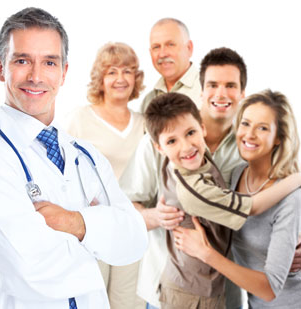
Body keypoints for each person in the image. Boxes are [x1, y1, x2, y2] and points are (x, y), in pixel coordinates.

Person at [0, 7, 147, 309]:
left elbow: (134, 241)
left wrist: (73, 222)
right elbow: (29, 268)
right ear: (0, 68)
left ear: (64, 72)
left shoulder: (86, 155)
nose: (36, 76)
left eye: (49, 62)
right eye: (22, 60)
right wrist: (102, 236)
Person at [143, 92, 301, 309]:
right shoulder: (233, 176)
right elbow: (251, 207)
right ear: (159, 148)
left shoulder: (289, 196)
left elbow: (271, 287)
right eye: (245, 123)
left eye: (263, 127)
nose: (186, 146)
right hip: (194, 293)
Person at [120, 47, 248, 308]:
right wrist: (155, 216)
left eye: (230, 85)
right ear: (201, 91)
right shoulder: (155, 143)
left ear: (242, 93)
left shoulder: (249, 147)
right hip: (167, 291)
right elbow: (123, 210)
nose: (221, 94)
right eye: (213, 85)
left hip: (226, 291)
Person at [65, 42, 145, 309]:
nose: (120, 78)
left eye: (127, 71)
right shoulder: (80, 118)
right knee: (92, 300)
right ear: (100, 79)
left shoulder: (145, 123)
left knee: (127, 302)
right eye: (111, 72)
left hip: (131, 224)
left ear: (136, 78)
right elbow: (62, 170)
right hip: (93, 226)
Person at [142, 18, 201, 114]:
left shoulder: (210, 90)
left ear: (189, 48)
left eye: (170, 45)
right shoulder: (148, 101)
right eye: (156, 47)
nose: (162, 54)